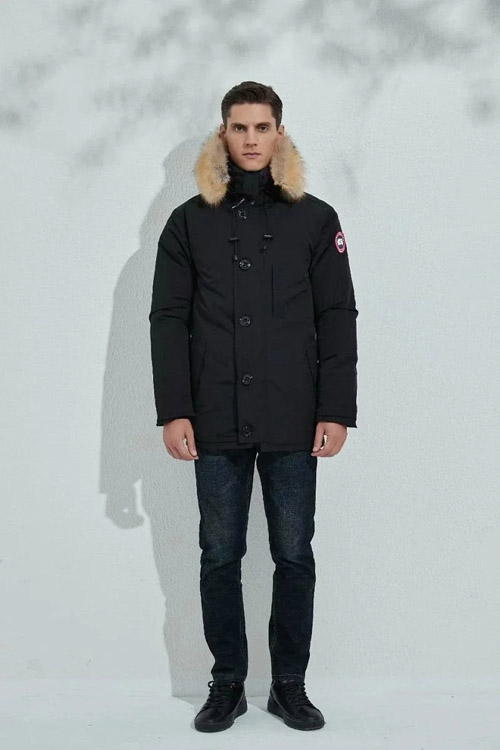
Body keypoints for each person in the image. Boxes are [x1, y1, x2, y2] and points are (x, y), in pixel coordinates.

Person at [149, 81, 358, 732]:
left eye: (261, 127)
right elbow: (168, 320)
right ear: (223, 133)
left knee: (294, 553)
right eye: (238, 127)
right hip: (213, 414)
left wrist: (336, 409)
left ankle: (289, 685)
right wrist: (174, 410)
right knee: (219, 553)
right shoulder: (189, 222)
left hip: (296, 414)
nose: (250, 139)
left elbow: (337, 315)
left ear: (279, 133)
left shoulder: (315, 219)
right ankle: (227, 684)